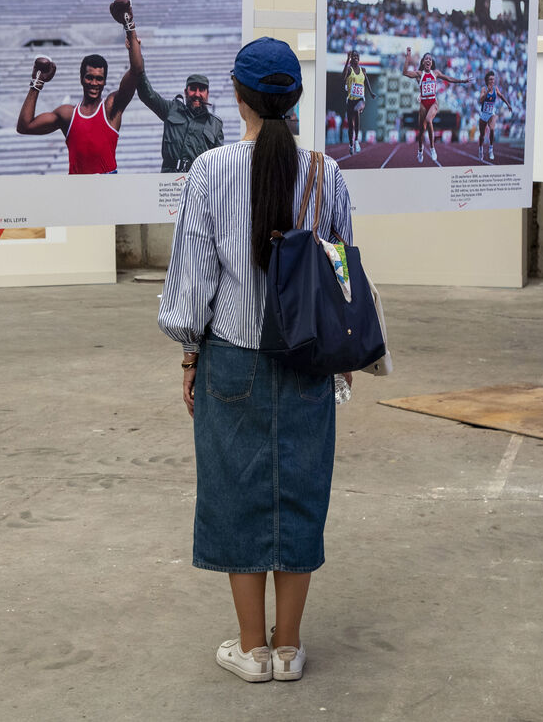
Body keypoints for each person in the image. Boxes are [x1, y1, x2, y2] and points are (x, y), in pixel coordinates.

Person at [159, 37, 353, 685]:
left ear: (237, 96)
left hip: (231, 362)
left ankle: (251, 649)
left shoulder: (209, 170)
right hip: (307, 362)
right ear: (294, 99)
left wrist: (190, 354)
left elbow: (192, 285)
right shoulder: (327, 174)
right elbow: (341, 277)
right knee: (299, 494)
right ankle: (288, 648)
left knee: (236, 495)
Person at [15, 0, 144, 174]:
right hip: (77, 187)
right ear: (81, 79)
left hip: (107, 185)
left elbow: (136, 70)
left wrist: (129, 26)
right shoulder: (67, 114)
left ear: (105, 81)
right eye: (89, 77)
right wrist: (36, 83)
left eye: (99, 79)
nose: (94, 83)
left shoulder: (111, 107)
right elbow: (24, 127)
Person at [138, 71, 226, 173]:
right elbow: (148, 96)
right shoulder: (172, 110)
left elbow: (218, 163)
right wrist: (139, 70)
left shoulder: (215, 124)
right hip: (168, 179)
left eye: (202, 90)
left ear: (207, 94)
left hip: (198, 179)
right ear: (185, 92)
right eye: (193, 89)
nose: (197, 94)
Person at [401, 47, 469, 164]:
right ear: (423, 62)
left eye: (430, 59)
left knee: (429, 120)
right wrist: (408, 57)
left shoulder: (435, 73)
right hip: (423, 104)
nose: (428, 60)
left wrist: (462, 81)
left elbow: (448, 78)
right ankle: (420, 150)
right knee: (421, 131)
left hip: (433, 102)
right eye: (426, 59)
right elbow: (405, 73)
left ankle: (432, 148)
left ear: (432, 63)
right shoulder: (419, 74)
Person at [475, 70, 513, 162]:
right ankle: (480, 149)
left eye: (493, 79)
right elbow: (480, 100)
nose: (492, 81)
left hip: (491, 113)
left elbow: (501, 96)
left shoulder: (496, 89)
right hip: (484, 114)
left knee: (492, 129)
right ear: (487, 80)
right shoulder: (484, 89)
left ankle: (491, 149)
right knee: (482, 135)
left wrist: (508, 104)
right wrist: (487, 92)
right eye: (491, 79)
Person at [341, 49, 374, 154]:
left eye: (357, 56)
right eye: (354, 56)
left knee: (356, 110)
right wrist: (347, 60)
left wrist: (371, 93)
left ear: (359, 58)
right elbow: (343, 77)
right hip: (350, 100)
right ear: (351, 58)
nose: (356, 57)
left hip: (360, 99)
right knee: (350, 125)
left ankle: (356, 141)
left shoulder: (363, 70)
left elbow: (366, 81)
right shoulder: (349, 69)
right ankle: (351, 144)